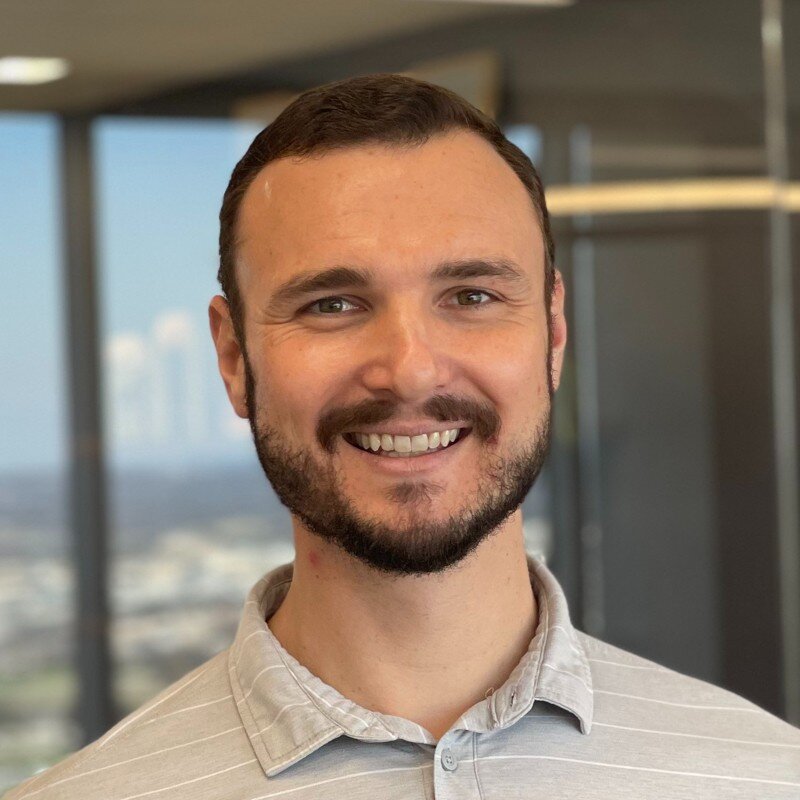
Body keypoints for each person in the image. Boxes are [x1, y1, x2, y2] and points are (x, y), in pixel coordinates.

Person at [6, 73, 799, 800]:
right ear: (234, 358)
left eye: (472, 295)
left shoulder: (766, 775)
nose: (411, 371)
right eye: (332, 306)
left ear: (553, 331)